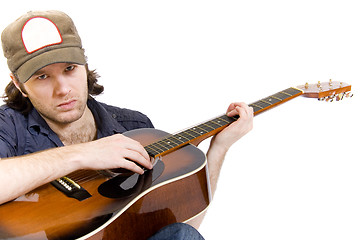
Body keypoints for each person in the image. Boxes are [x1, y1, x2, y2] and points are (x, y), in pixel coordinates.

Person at [0, 10, 253, 239]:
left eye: (69, 68)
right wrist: (83, 154)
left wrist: (218, 149)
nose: (63, 89)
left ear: (85, 65)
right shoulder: (7, 126)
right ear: (20, 84)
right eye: (42, 76)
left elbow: (175, 226)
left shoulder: (135, 128)